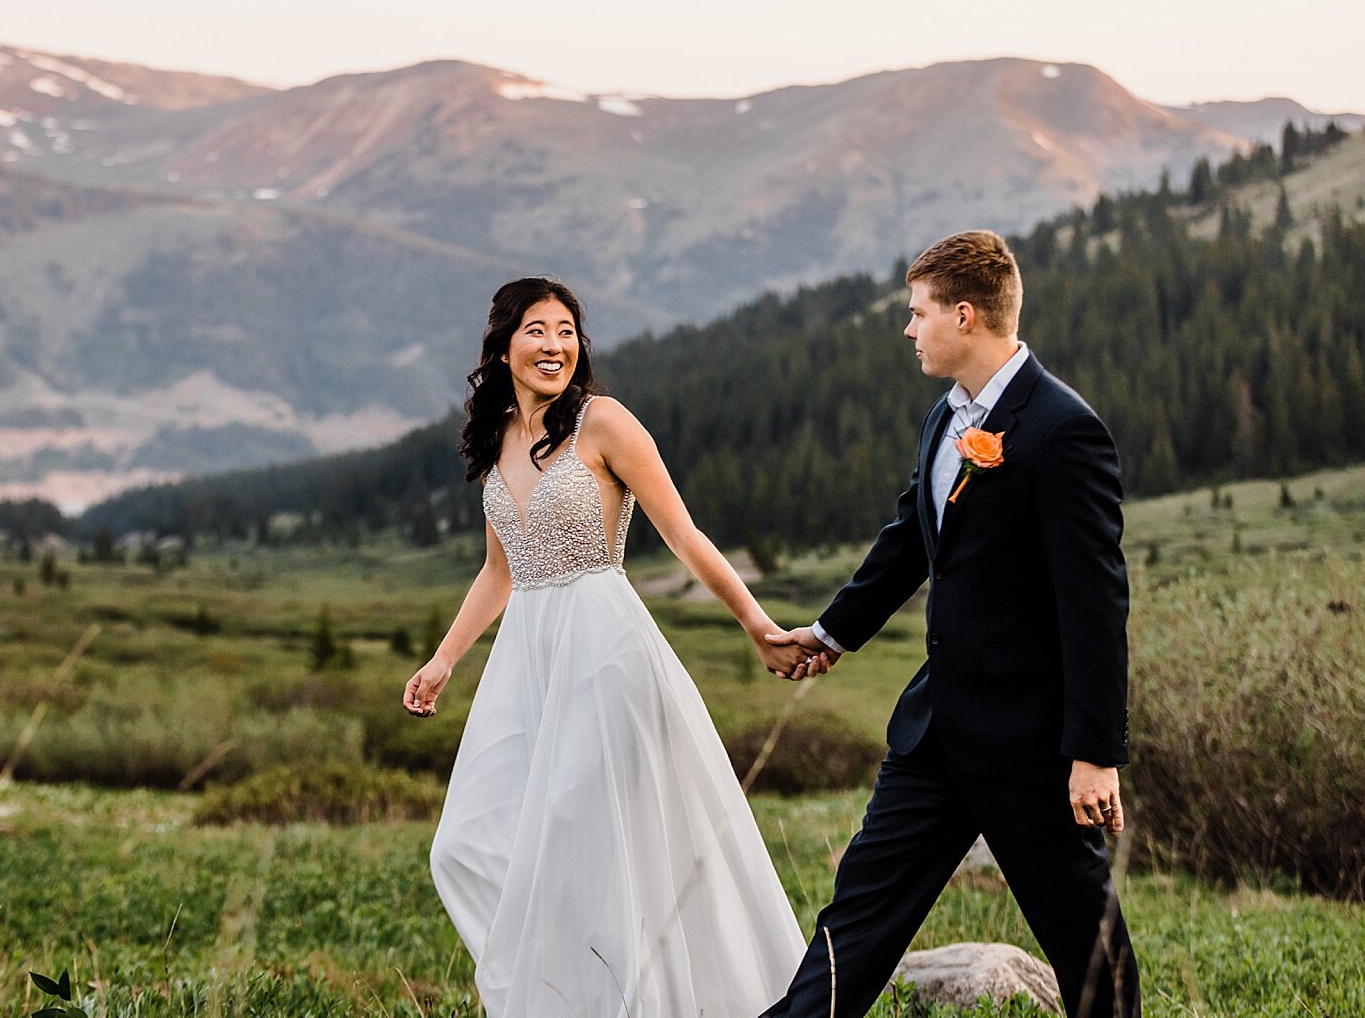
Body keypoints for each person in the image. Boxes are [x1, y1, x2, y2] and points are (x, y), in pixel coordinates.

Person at [763, 230, 1141, 1018]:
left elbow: (1096, 604)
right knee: (856, 921)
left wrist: (1094, 753)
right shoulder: (945, 417)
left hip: (1033, 748)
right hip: (934, 736)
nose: (908, 328)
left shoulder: (1062, 430)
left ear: (964, 316)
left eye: (918, 312)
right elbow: (911, 538)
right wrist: (830, 635)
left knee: (1089, 950)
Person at [405, 277, 807, 1017]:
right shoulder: (498, 441)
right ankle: (562, 991)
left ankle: (636, 1000)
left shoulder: (604, 423)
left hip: (603, 645)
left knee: (582, 836)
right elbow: (499, 570)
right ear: (502, 346)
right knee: (461, 842)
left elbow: (683, 535)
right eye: (537, 329)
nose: (555, 344)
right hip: (527, 654)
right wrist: (444, 659)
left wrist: (756, 623)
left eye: (567, 330)